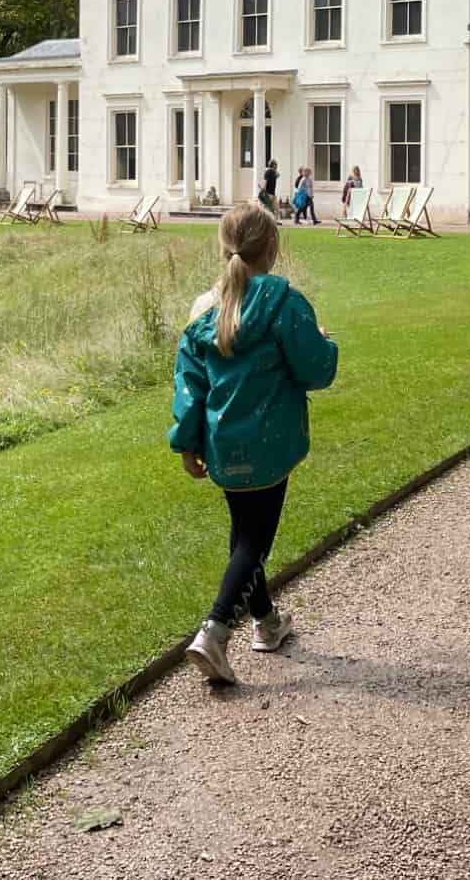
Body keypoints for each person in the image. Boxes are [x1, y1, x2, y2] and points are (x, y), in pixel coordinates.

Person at [170, 204, 339, 686]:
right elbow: (315, 369)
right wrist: (324, 342)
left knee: (245, 532)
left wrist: (187, 445)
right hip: (271, 442)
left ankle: (266, 622)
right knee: (254, 540)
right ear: (273, 248)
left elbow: (189, 385)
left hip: (223, 443)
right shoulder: (283, 302)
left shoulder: (204, 309)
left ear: (223, 247)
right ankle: (215, 631)